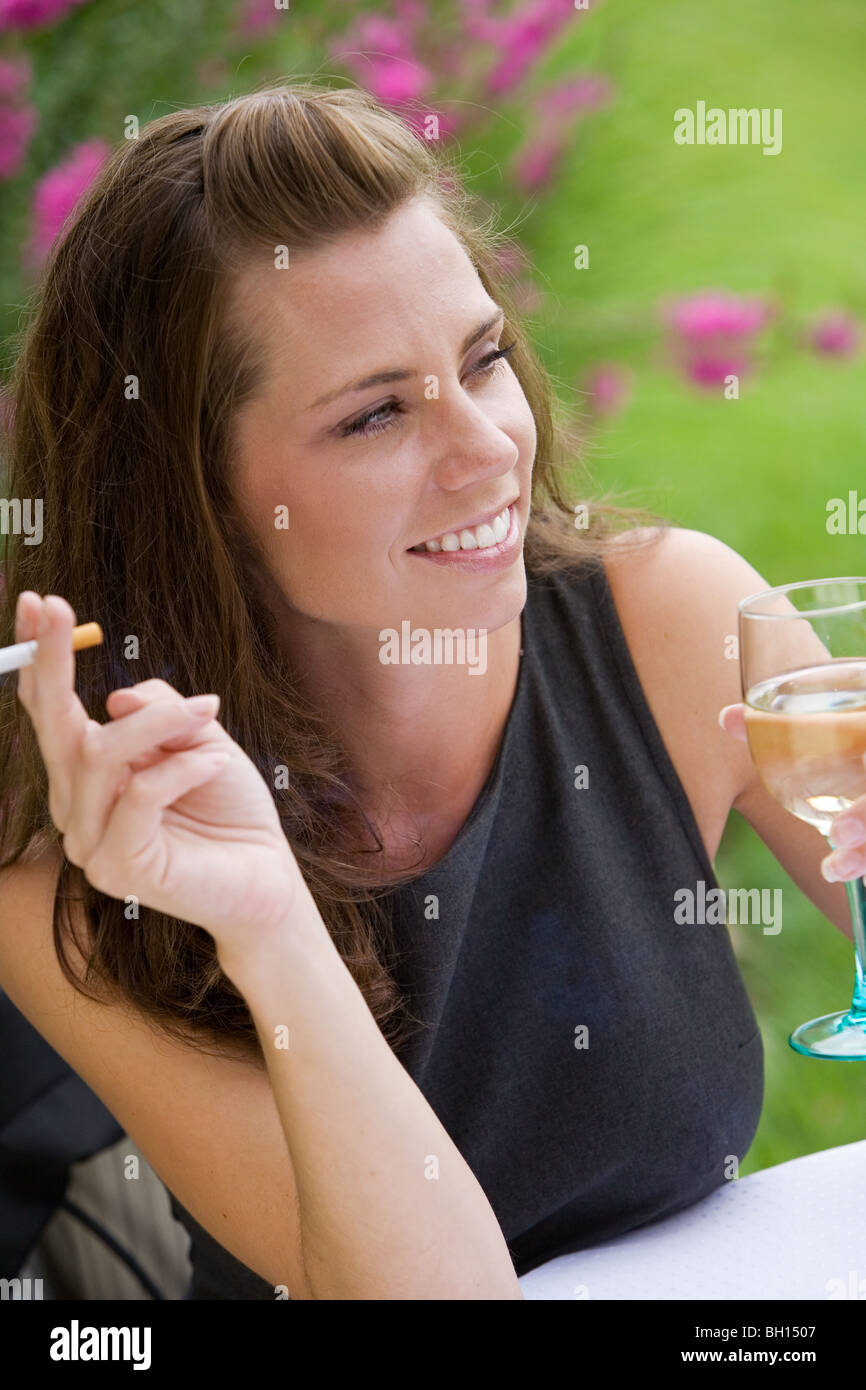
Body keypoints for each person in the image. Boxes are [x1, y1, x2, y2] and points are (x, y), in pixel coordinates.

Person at [0, 80, 855, 1301]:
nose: (488, 448)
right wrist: (267, 924)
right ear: (197, 499)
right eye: (375, 416)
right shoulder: (76, 880)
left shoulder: (675, 627)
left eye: (483, 358)